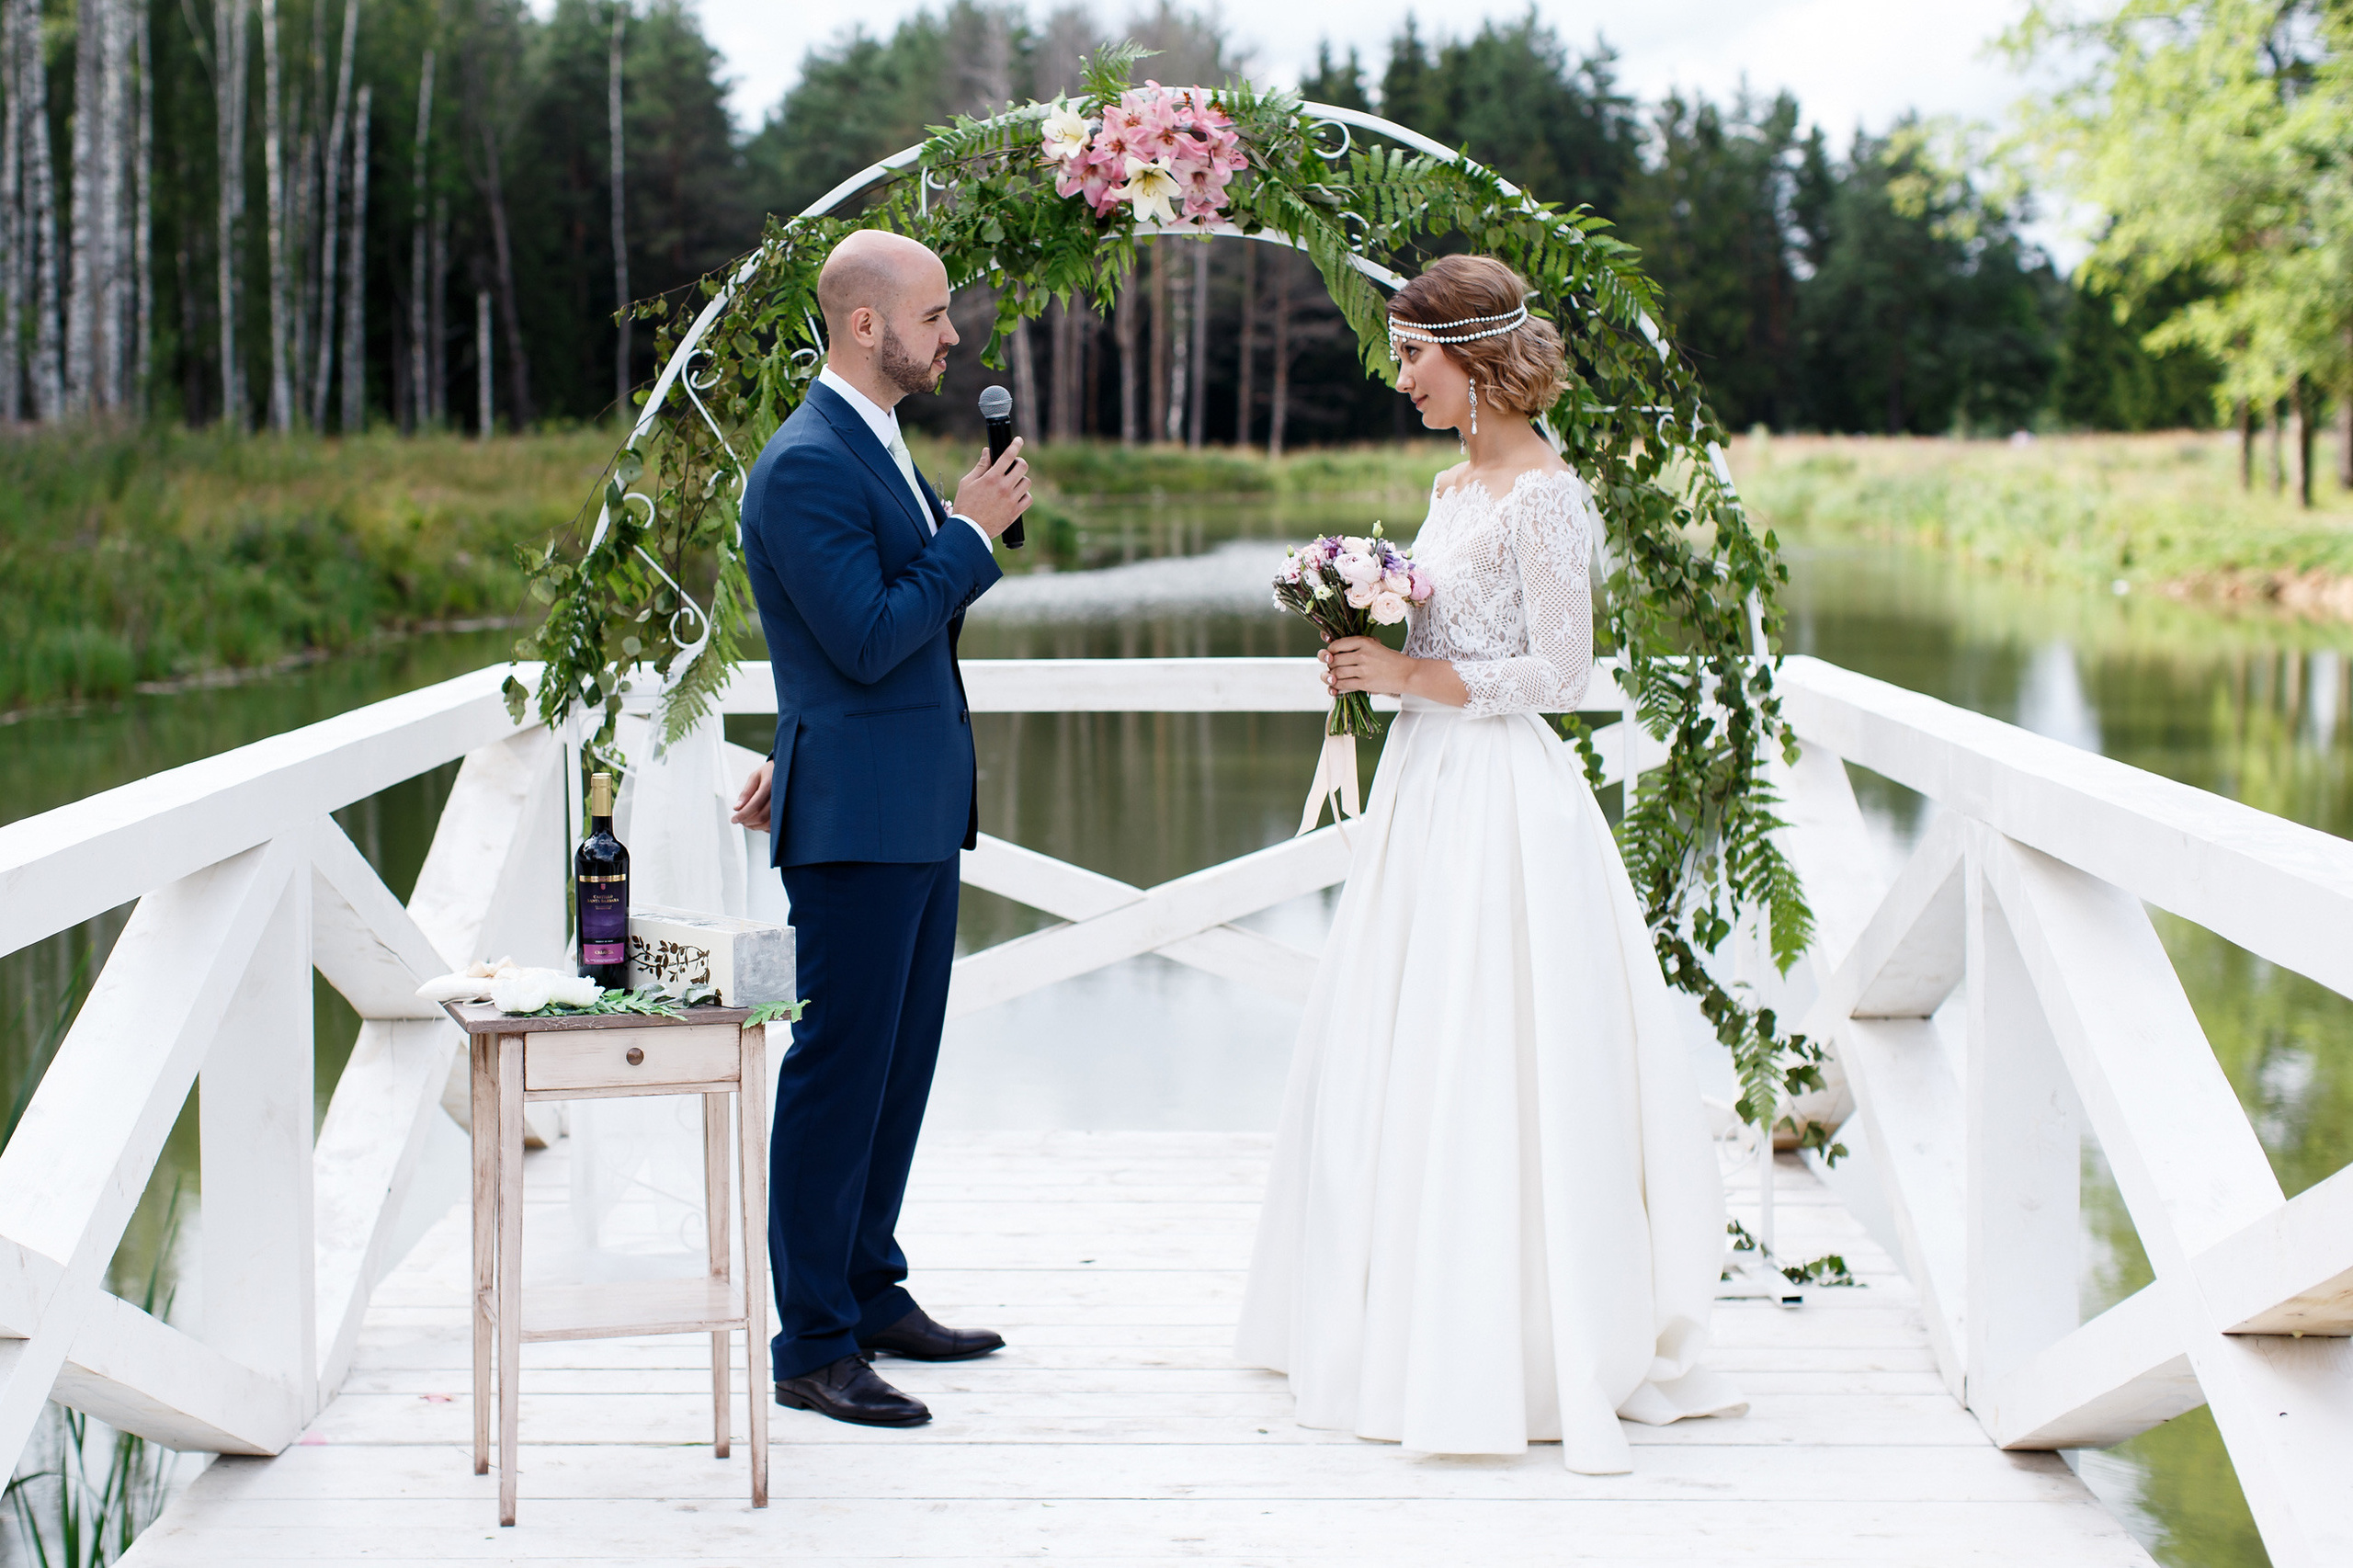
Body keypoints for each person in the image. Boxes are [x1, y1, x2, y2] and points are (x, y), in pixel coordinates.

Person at [1233, 254, 1745, 1473]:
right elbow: (1451, 625)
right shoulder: (1455, 483)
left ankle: (1515, 1339)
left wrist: (1409, 675)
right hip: (1426, 786)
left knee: (1498, 1051)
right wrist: (1366, 641)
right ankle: (1397, 1315)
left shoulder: (1546, 496)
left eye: (1413, 353)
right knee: (1407, 1043)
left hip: (1503, 803)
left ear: (1477, 356)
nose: (1397, 373)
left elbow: (1562, 675)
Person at [729, 229, 1029, 1428]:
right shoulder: (803, 462)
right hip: (857, 818)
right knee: (837, 1075)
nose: (952, 334)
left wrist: (958, 534)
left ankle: (866, 1286)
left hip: (908, 802)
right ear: (868, 326)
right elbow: (860, 636)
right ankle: (810, 1344)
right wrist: (968, 537)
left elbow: (848, 645)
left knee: (898, 1068)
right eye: (935, 314)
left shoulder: (877, 442)